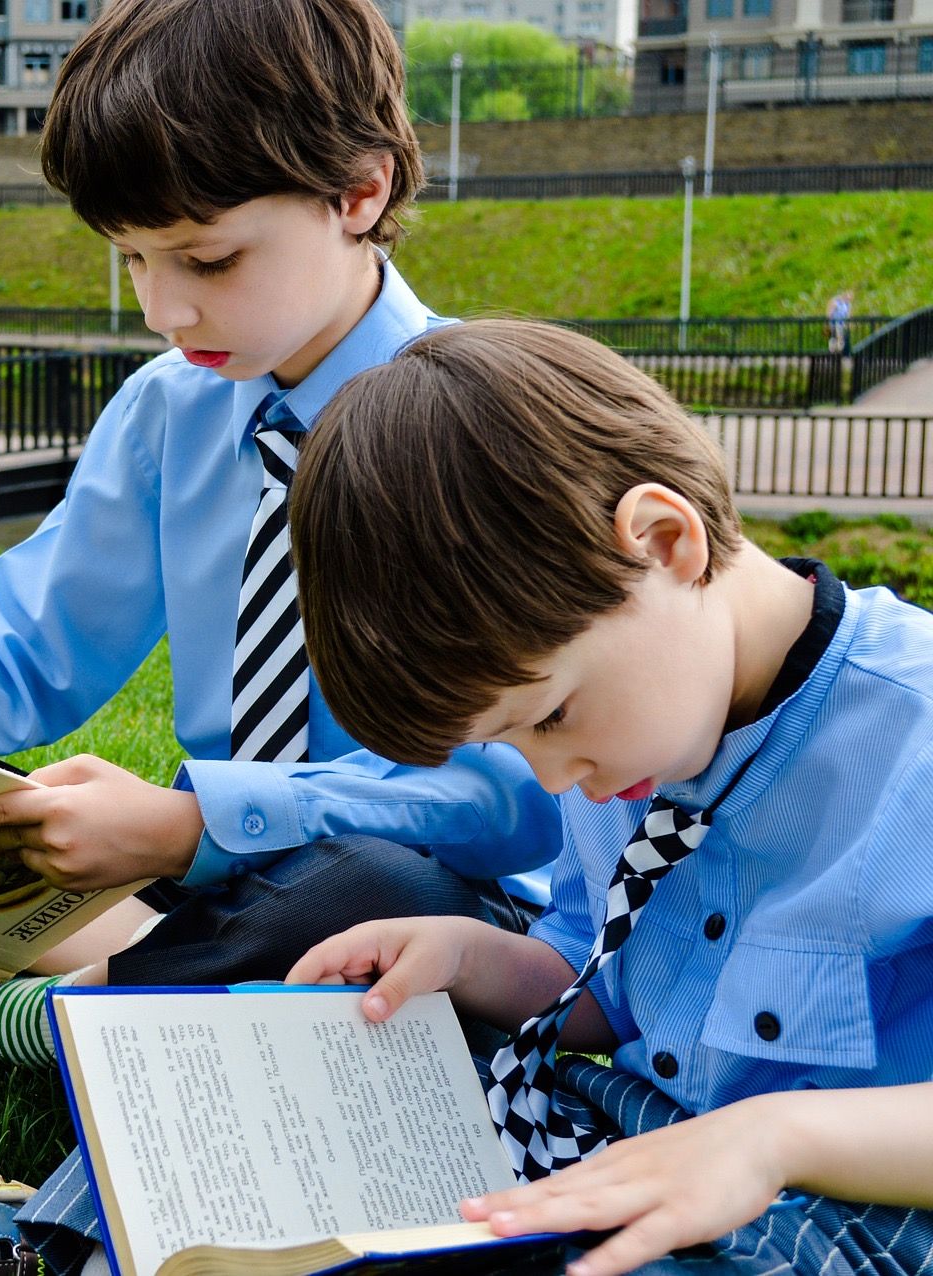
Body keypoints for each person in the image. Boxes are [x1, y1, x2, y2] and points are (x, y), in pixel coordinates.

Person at [0, 0, 561, 1084]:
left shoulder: (483, 431)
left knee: (362, 889)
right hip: (203, 870)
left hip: (407, 891)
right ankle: (115, 1003)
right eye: (130, 261)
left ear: (359, 191)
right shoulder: (170, 412)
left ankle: (30, 1013)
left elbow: (522, 798)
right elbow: (25, 652)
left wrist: (190, 822)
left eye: (206, 260)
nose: (164, 309)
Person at [274, 319, 933, 1276]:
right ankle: (36, 1231)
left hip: (849, 1214)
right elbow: (608, 985)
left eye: (549, 716)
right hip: (633, 1137)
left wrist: (774, 1139)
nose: (550, 777)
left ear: (664, 542)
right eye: (507, 740)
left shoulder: (914, 739)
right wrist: (471, 957)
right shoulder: (626, 749)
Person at [826, 290, 854, 354]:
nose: (849, 298)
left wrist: (849, 323)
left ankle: (838, 350)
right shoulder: (836, 302)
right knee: (836, 336)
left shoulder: (848, 304)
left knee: (840, 337)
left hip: (842, 323)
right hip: (835, 322)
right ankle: (834, 351)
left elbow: (848, 314)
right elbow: (830, 313)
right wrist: (828, 322)